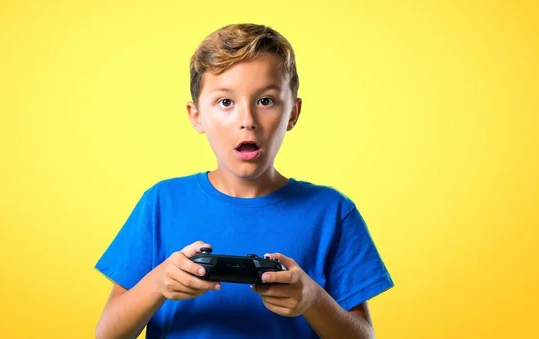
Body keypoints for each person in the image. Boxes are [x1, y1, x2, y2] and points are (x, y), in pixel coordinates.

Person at [94, 23, 394, 339]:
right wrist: (157, 284)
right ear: (196, 115)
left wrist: (312, 300)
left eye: (265, 101)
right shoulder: (161, 203)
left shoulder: (332, 212)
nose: (247, 121)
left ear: (293, 112)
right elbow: (108, 334)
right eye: (226, 102)